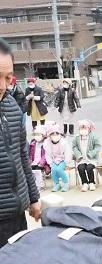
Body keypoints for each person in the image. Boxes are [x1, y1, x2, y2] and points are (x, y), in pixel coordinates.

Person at [0, 38, 41, 248]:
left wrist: (33, 198)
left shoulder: (13, 108)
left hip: (16, 216)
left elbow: (22, 157)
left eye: (7, 78)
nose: (2, 86)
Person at [73, 119, 101, 192]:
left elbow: (98, 146)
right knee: (80, 168)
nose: (83, 130)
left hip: (92, 159)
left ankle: (92, 182)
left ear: (89, 128)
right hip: (82, 159)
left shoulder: (93, 137)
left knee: (89, 168)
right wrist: (78, 155)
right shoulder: (77, 138)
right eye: (81, 128)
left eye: (85, 128)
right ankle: (84, 183)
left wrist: (91, 153)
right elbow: (74, 147)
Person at [44, 123, 72, 192]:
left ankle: (65, 184)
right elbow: (47, 154)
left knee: (59, 169)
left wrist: (66, 161)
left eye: (57, 134)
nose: (55, 136)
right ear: (50, 136)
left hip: (63, 160)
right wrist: (50, 162)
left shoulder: (63, 142)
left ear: (59, 134)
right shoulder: (47, 143)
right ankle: (56, 184)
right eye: (53, 134)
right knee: (53, 170)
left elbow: (68, 152)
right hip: (54, 160)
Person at [29, 125, 50, 192]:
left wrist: (41, 163)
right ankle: (32, 186)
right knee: (29, 170)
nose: (36, 136)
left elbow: (46, 155)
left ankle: (40, 186)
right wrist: (29, 162)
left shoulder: (46, 143)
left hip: (43, 163)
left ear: (43, 135)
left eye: (38, 134)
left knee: (37, 171)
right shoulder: (32, 143)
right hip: (34, 162)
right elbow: (30, 155)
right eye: (35, 134)